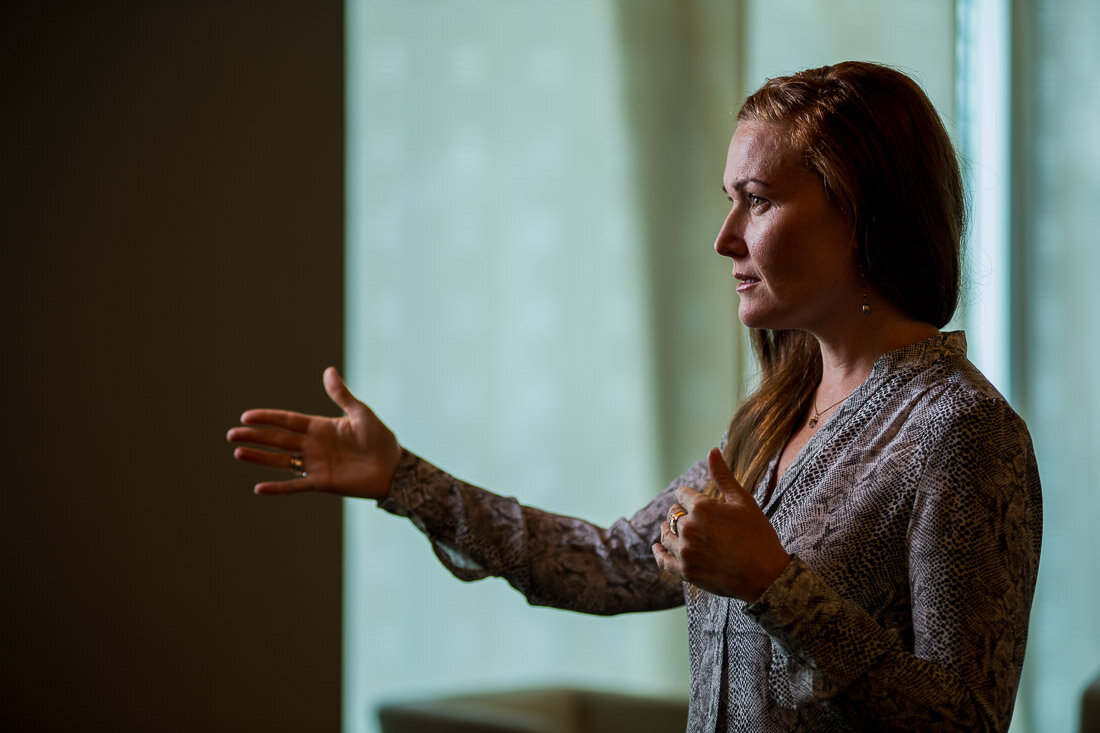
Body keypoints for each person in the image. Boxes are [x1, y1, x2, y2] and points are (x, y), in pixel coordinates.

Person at [227, 61, 1042, 731]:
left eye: (755, 200)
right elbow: (611, 564)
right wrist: (403, 478)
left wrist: (774, 586)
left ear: (861, 211)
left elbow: (965, 720)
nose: (725, 237)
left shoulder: (960, 432)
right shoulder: (777, 416)